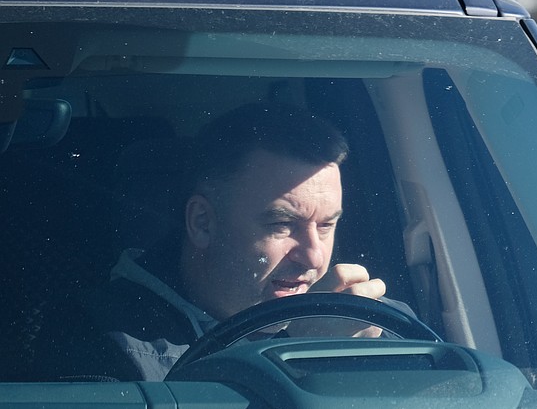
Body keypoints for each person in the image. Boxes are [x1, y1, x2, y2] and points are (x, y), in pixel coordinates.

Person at [43, 101, 390, 381]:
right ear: (202, 222)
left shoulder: (372, 324)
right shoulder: (107, 341)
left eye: (326, 225)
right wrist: (304, 356)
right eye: (282, 224)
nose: (314, 256)